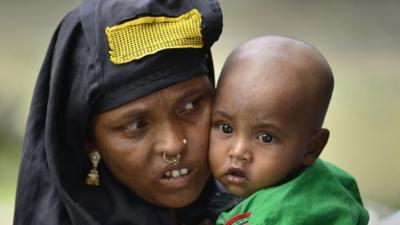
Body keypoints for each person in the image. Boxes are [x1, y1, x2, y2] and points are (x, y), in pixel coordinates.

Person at [13, 0, 223, 224]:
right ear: (89, 140)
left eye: (190, 106)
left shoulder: (250, 206)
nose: (173, 145)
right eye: (136, 125)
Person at [209, 36, 369, 224]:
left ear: (312, 148)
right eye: (226, 128)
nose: (237, 152)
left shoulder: (285, 215)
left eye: (266, 138)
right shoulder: (322, 179)